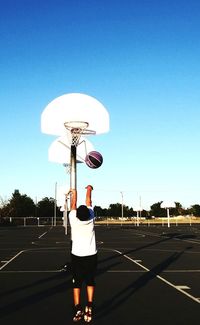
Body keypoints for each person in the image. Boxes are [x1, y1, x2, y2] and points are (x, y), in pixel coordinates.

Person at [67, 185, 97, 323]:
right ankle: (89, 305)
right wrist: (89, 189)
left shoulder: (73, 219)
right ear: (88, 214)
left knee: (77, 283)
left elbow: (73, 204)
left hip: (77, 255)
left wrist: (74, 192)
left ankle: (78, 308)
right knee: (90, 281)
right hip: (91, 255)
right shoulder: (91, 219)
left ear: (77, 214)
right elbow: (89, 202)